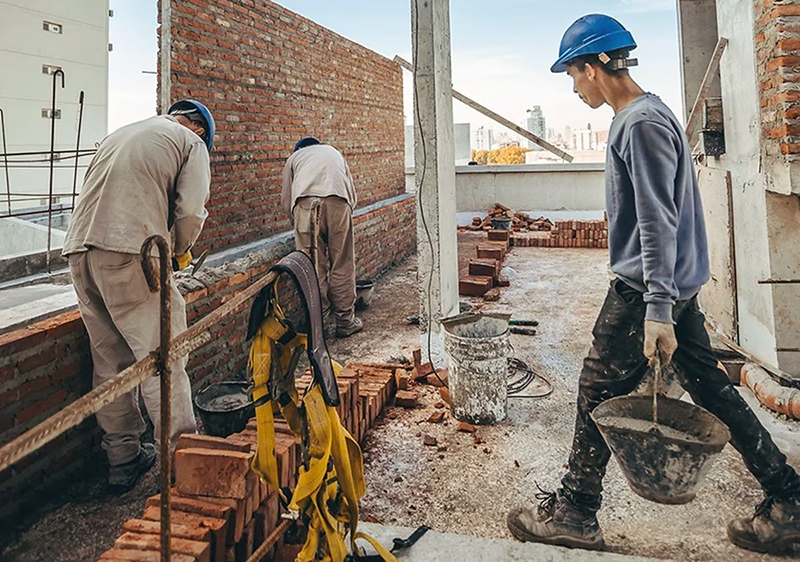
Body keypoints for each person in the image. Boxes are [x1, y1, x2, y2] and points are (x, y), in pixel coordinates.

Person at [506, 14, 800, 555]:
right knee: (711, 389)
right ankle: (789, 499)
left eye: (572, 74)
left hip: (644, 289)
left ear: (593, 68)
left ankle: (576, 511)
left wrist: (658, 308)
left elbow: (656, 221)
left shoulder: (639, 124)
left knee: (597, 387)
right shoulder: (649, 113)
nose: (573, 88)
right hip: (669, 287)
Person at [62, 99, 215, 491]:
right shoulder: (191, 143)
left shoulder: (121, 134)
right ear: (199, 128)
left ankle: (123, 459)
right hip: (132, 251)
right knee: (164, 357)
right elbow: (191, 210)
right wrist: (179, 251)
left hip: (80, 252)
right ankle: (181, 463)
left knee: (110, 362)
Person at [281, 137, 362, 338]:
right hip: (338, 201)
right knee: (342, 263)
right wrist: (345, 215)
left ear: (299, 149)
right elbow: (351, 191)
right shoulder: (334, 152)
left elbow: (286, 198)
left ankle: (320, 325)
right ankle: (345, 321)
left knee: (312, 267)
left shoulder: (294, 158)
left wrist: (297, 222)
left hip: (305, 205)